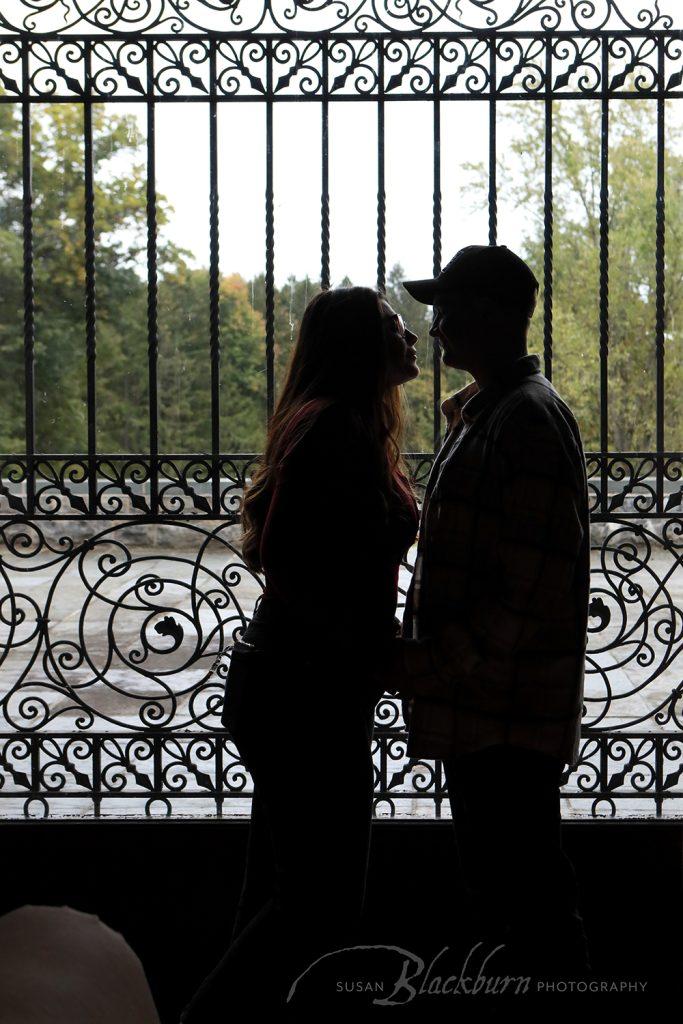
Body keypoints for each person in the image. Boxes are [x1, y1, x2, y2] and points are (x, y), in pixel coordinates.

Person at [180, 286, 420, 1018]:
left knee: (288, 892)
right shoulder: (333, 430)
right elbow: (285, 562)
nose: (410, 335)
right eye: (391, 326)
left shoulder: (341, 424)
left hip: (296, 687)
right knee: (319, 906)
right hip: (305, 694)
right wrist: (369, 652)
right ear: (355, 345)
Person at [376, 244, 592, 980]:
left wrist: (432, 662)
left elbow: (527, 590)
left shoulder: (522, 419)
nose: (434, 328)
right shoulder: (493, 411)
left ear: (496, 316)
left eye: (450, 310)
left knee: (522, 899)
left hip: (503, 713)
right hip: (491, 711)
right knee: (512, 892)